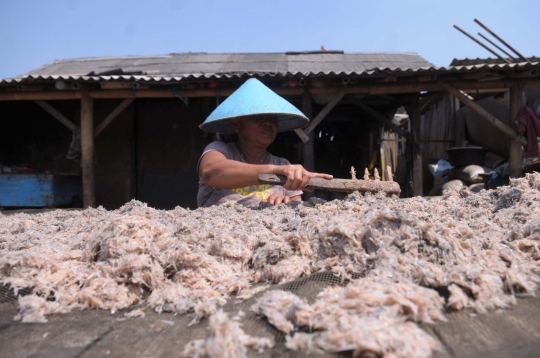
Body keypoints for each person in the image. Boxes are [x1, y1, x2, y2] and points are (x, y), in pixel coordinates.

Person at [197, 78, 332, 208]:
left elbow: (296, 205)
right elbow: (210, 172)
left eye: (272, 118)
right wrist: (273, 171)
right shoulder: (220, 150)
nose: (268, 123)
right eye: (258, 116)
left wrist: (285, 202)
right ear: (236, 123)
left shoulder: (283, 165)